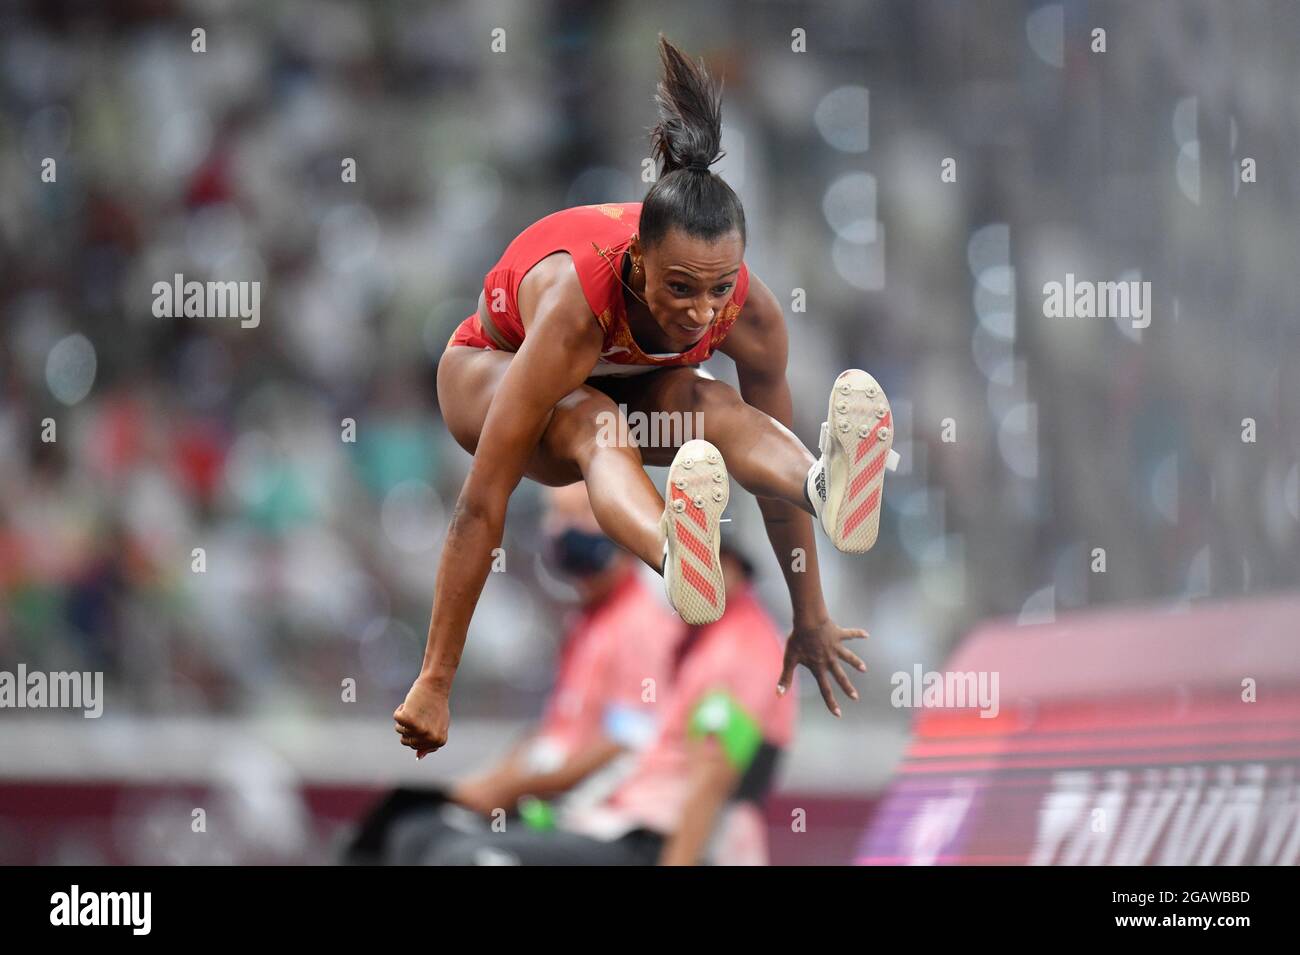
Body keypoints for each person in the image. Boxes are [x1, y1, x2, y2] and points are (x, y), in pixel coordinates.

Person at [394, 34, 897, 759]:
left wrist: (810, 614)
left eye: (718, 287)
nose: (700, 311)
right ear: (636, 262)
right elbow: (481, 502)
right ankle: (674, 549)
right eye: (679, 288)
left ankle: (828, 480)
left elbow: (766, 484)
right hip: (490, 370)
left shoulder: (747, 315)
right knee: (594, 421)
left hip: (627, 378)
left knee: (720, 410)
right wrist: (436, 679)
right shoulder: (576, 305)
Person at [346, 483, 679, 864]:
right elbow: (555, 733)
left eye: (578, 515)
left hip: (605, 820)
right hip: (554, 804)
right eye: (554, 514)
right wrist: (489, 782)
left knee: (453, 856)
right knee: (405, 833)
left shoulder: (640, 622)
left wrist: (514, 789)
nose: (558, 529)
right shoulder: (587, 621)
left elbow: (626, 742)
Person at [412, 542, 796, 865]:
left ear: (725, 566)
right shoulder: (707, 640)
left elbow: (712, 777)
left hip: (655, 838)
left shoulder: (738, 651)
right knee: (433, 840)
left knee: (460, 857)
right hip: (627, 821)